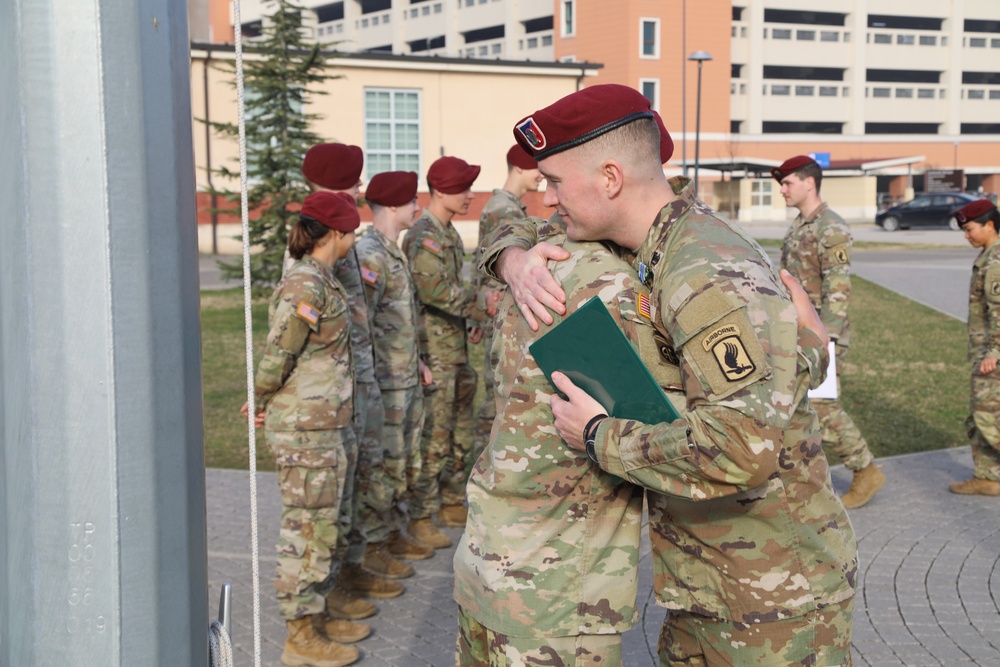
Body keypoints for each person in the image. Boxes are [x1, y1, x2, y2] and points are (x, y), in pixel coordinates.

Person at [482, 84, 858, 666]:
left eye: (554, 181)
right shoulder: (649, 245)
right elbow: (504, 224)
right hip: (708, 584)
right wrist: (513, 262)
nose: (545, 197)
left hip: (771, 597)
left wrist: (596, 435)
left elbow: (740, 447)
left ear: (610, 179)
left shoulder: (704, 271)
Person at [242, 190, 364, 667]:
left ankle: (317, 616)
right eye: (351, 232)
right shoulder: (305, 286)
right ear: (336, 234)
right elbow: (279, 352)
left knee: (324, 526)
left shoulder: (322, 280)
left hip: (325, 425)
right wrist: (261, 397)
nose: (354, 240)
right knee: (305, 530)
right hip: (304, 430)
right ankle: (298, 635)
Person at [300, 143, 408, 620]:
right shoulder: (314, 251)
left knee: (359, 479)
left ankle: (351, 567)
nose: (361, 189)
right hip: (327, 397)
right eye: (354, 181)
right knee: (326, 502)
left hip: (357, 384)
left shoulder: (340, 240)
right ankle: (321, 596)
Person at [773, 155, 886, 509]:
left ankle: (865, 469)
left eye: (788, 182)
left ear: (810, 182)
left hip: (820, 334)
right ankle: (805, 476)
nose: (782, 189)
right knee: (803, 405)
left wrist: (828, 337)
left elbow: (838, 286)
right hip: (799, 331)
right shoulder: (800, 225)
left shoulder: (830, 228)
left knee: (824, 407)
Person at [401, 156, 492, 546]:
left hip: (454, 346)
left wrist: (470, 320)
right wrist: (479, 307)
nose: (471, 195)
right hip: (433, 350)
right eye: (463, 188)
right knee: (434, 433)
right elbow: (433, 290)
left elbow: (454, 285)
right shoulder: (424, 235)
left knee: (459, 428)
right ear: (440, 192)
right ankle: (421, 513)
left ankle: (451, 497)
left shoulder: (449, 232)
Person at [354, 171, 437, 565]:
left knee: (404, 460)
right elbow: (361, 323)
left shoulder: (392, 249)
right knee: (383, 463)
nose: (417, 207)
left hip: (403, 378)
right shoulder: (370, 254)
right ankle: (374, 544)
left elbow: (398, 320)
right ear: (391, 206)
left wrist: (417, 361)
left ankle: (393, 531)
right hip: (384, 383)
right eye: (410, 202)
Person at [471, 145, 542, 465]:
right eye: (535, 167)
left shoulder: (505, 205)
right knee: (503, 398)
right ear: (518, 168)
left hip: (496, 309)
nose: (540, 174)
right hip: (502, 313)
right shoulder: (505, 210)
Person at [951, 199, 1000, 496]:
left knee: (988, 415)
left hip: (991, 354)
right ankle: (987, 476)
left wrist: (994, 352)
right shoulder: (987, 257)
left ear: (990, 225)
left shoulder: (994, 264)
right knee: (979, 415)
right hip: (983, 351)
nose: (966, 235)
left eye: (969, 229)